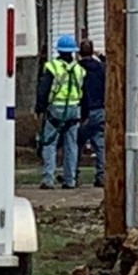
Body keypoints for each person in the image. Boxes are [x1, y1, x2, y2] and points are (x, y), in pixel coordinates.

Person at [35, 33, 84, 189]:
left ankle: (48, 179)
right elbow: (84, 90)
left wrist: (39, 107)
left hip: (56, 108)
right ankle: (70, 180)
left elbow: (44, 89)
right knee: (71, 145)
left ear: (59, 51)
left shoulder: (52, 67)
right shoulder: (79, 69)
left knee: (49, 143)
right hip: (74, 108)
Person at [77, 38, 106, 189]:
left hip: (83, 111)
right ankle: (101, 176)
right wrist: (100, 56)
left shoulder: (77, 69)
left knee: (75, 143)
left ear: (79, 53)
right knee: (100, 144)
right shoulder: (101, 68)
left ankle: (72, 175)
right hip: (100, 109)